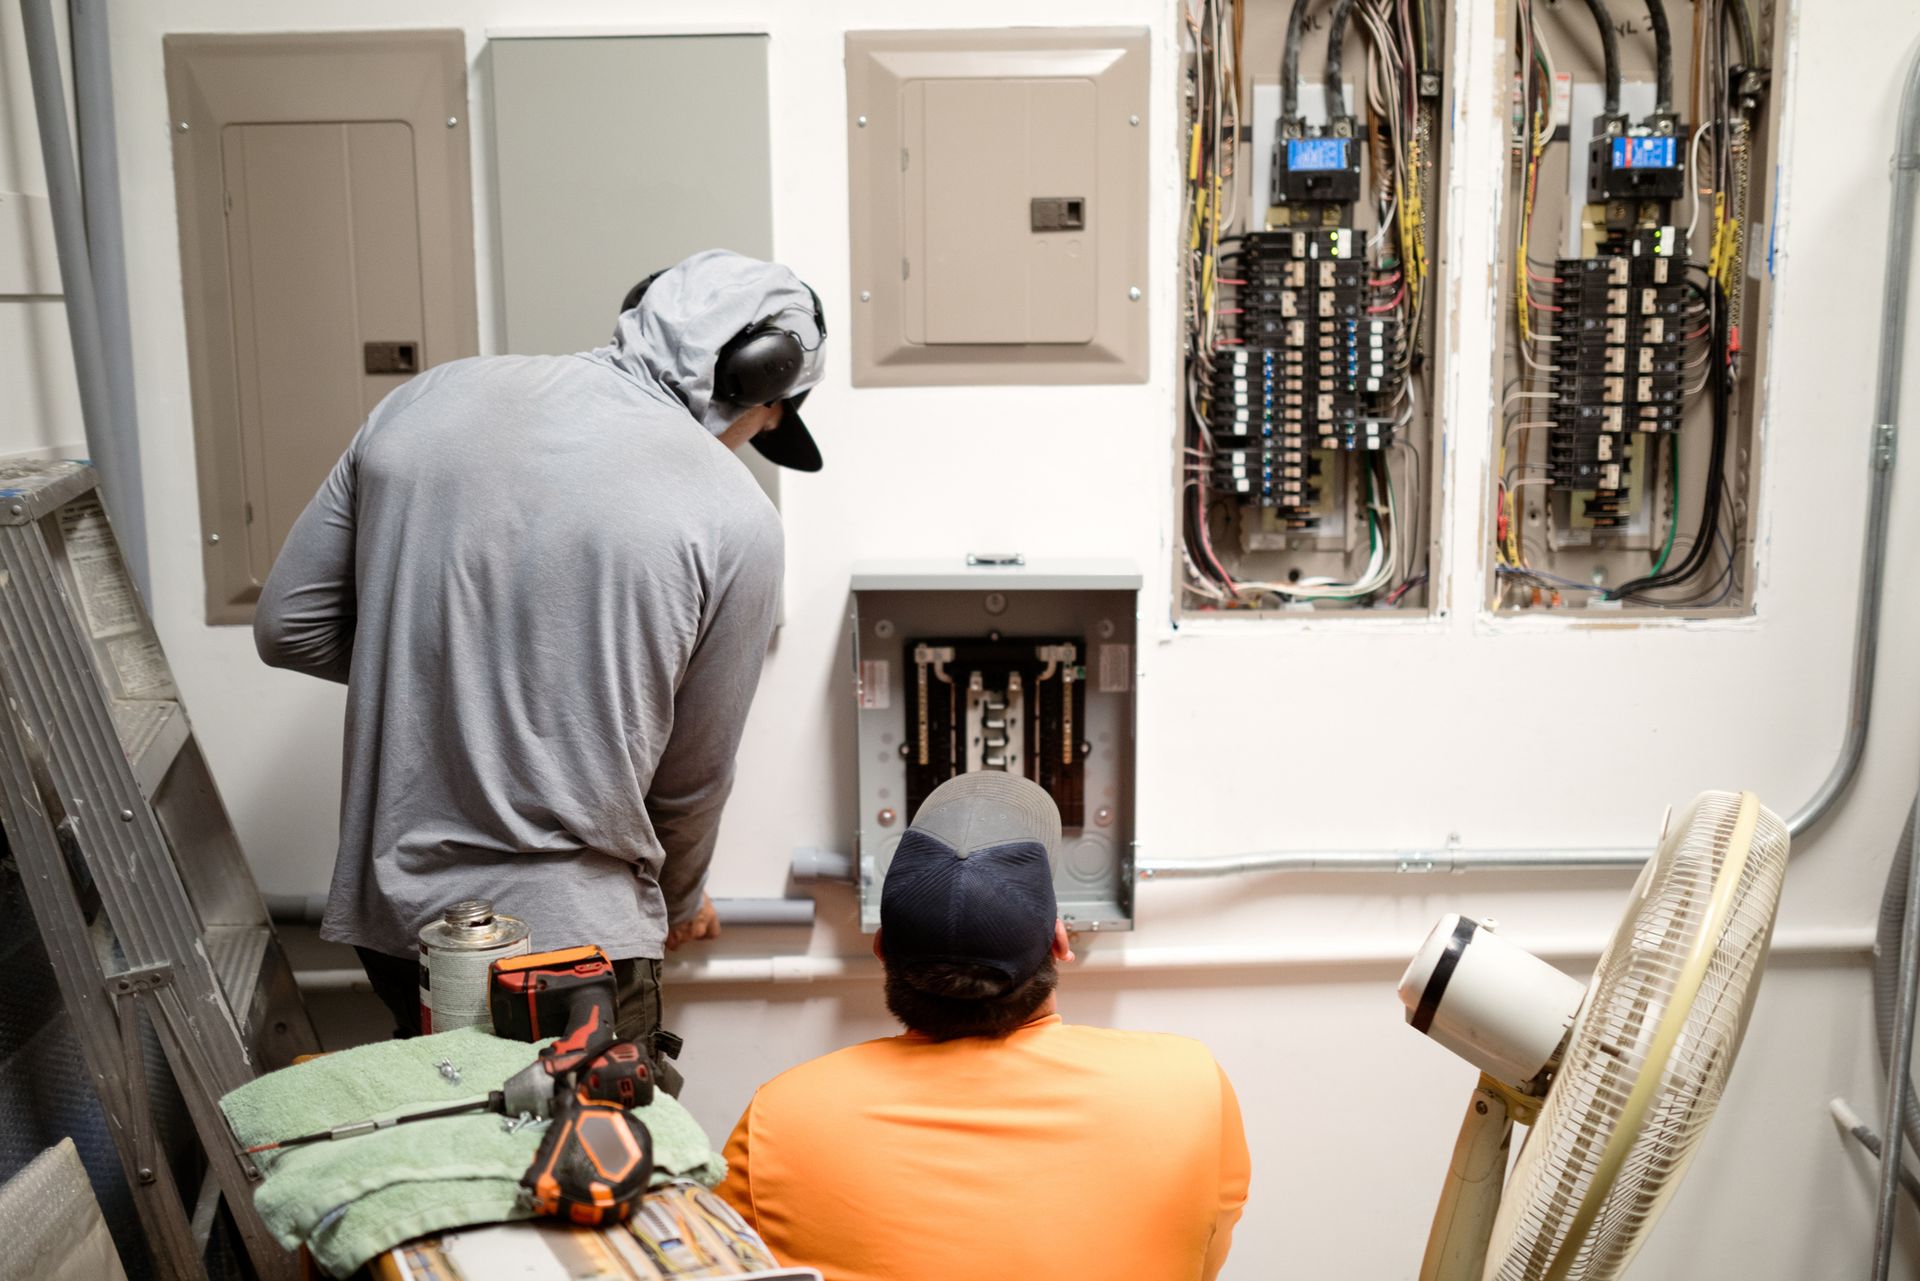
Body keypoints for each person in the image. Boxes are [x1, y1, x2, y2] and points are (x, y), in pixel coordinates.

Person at [254, 250, 824, 1071]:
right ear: (757, 379)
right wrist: (681, 902)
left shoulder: (424, 400)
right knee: (586, 1171)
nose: (750, 441)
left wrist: (454, 672)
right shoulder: (737, 515)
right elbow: (692, 778)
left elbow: (290, 627)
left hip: (396, 920)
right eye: (766, 422)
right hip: (571, 944)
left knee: (440, 1157)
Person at [716, 773, 1250, 1281]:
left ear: (882, 950)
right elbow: (1200, 1259)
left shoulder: (781, 1117)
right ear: (1059, 942)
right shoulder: (1189, 1084)